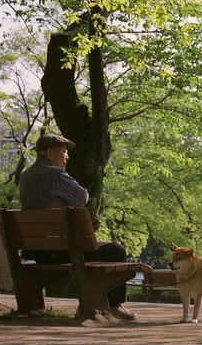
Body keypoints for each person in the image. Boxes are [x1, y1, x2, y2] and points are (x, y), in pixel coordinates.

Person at [18, 134, 136, 321]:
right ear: (50, 154)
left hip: (36, 251)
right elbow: (82, 198)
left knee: (99, 251)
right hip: (61, 250)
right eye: (64, 152)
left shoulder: (25, 177)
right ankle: (115, 306)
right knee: (115, 251)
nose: (67, 157)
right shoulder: (55, 174)